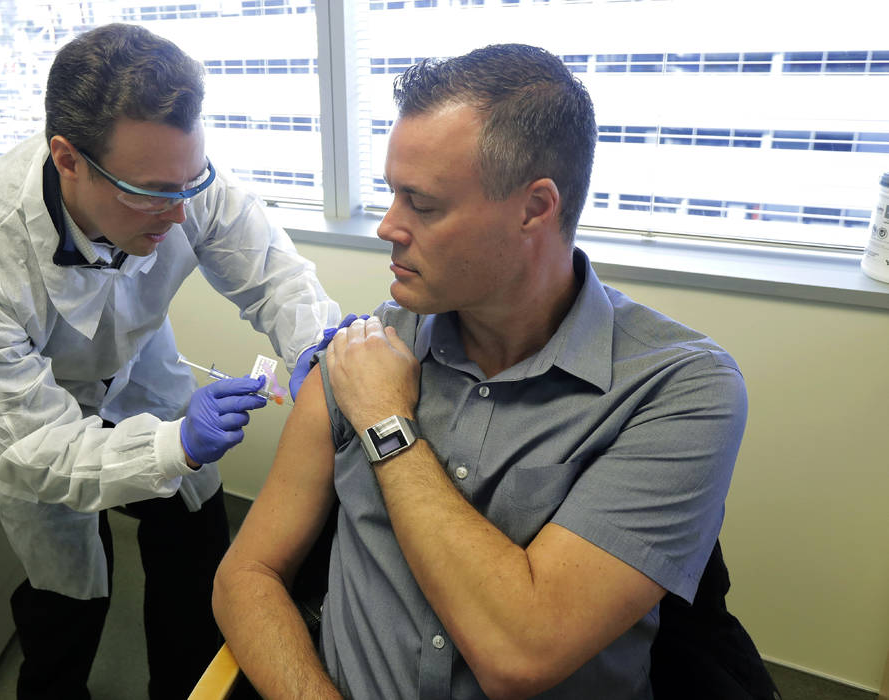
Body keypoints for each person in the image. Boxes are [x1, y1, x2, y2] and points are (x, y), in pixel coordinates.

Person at [213, 44, 749, 699]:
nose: (387, 226)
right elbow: (247, 574)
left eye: (424, 204)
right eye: (390, 193)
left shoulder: (678, 390)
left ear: (534, 208)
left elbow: (520, 653)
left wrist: (387, 423)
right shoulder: (366, 349)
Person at [0, 23, 352, 700]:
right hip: (33, 411)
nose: (179, 213)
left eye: (190, 182)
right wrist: (176, 441)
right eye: (150, 193)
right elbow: (33, 448)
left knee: (195, 546)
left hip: (141, 367)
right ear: (68, 159)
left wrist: (316, 348)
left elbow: (273, 275)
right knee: (70, 598)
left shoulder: (175, 176)